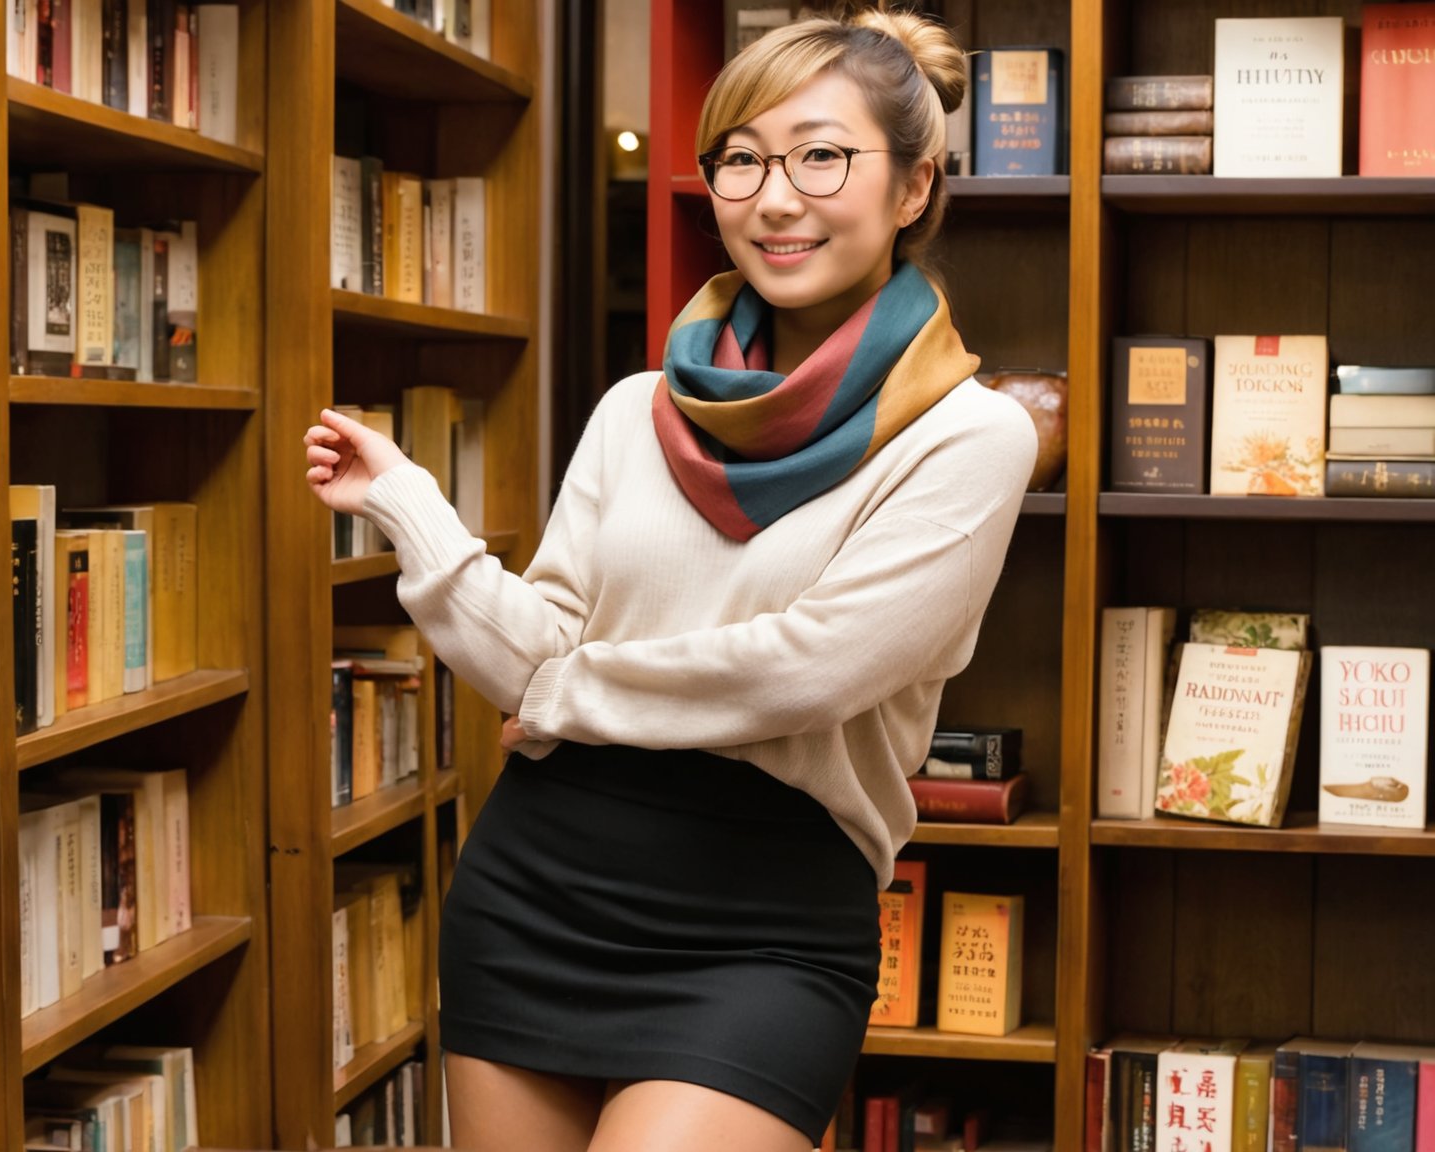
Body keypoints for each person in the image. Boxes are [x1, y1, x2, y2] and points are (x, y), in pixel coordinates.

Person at [302, 5, 1036, 1149]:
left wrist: (566, 692)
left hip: (769, 920)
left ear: (912, 187)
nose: (773, 196)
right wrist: (407, 506)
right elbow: (527, 648)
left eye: (819, 156)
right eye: (739, 159)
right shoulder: (630, 411)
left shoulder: (966, 437)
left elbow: (808, 669)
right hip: (537, 887)